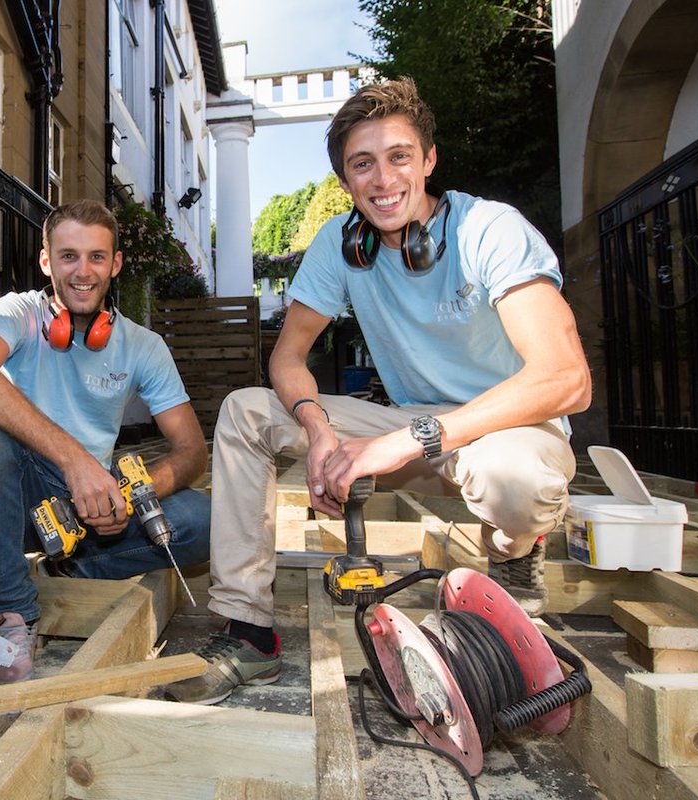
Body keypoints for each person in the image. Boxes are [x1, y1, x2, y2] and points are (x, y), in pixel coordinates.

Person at [164, 77, 591, 705]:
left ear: (429, 160)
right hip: (413, 427)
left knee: (518, 480)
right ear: (346, 181)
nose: (383, 179)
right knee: (245, 411)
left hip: (509, 425)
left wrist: (407, 439)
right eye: (363, 164)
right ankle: (248, 630)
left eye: (399, 156)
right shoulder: (341, 245)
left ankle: (513, 549)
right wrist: (319, 432)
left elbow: (566, 378)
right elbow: (287, 356)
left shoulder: (489, 229)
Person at [0, 199, 211, 685]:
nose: (83, 271)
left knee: (202, 520)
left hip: (93, 509)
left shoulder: (144, 346)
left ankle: (70, 569)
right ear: (46, 261)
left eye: (96, 257)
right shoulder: (19, 313)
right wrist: (75, 461)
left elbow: (192, 451)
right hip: (19, 501)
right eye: (68, 256)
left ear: (116, 264)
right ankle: (12, 611)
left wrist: (128, 496)